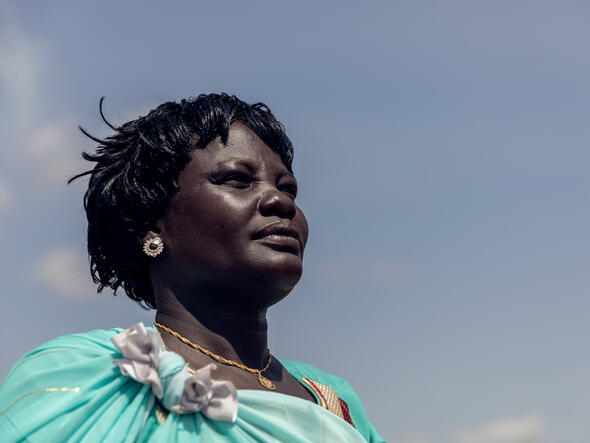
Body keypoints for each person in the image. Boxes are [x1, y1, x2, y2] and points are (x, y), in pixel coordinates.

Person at [0, 94, 384, 442]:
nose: (279, 201)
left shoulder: (334, 400)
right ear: (151, 225)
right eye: (237, 180)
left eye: (288, 188)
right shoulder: (85, 376)